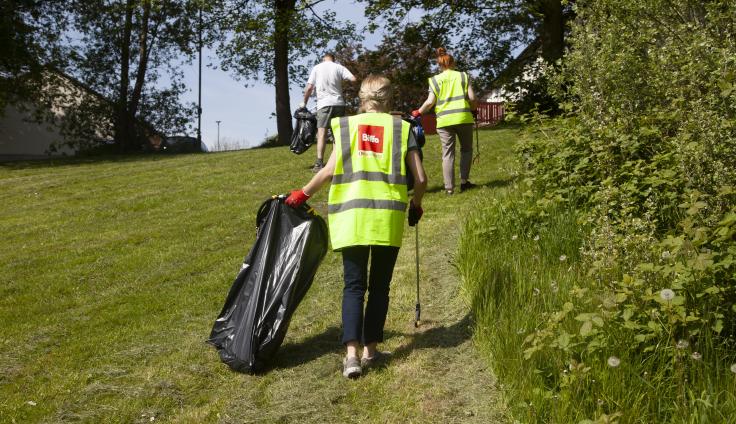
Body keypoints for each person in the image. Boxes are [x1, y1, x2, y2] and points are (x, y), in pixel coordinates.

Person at [286, 75, 427, 379]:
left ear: (361, 99)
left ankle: (351, 357)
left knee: (353, 286)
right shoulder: (402, 129)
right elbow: (422, 179)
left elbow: (329, 169)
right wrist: (416, 205)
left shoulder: (345, 126)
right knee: (379, 287)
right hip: (386, 219)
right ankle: (371, 352)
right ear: (389, 99)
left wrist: (302, 194)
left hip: (351, 217)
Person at [412, 47, 477, 195]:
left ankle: (449, 189)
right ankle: (464, 182)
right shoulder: (463, 76)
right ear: (452, 63)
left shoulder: (435, 80)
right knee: (466, 150)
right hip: (463, 119)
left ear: (439, 65)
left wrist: (418, 112)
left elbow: (429, 102)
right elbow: (472, 98)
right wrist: (474, 109)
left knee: (447, 154)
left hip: (444, 121)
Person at [300, 52, 357, 173]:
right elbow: (353, 79)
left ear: (323, 59)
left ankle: (319, 163)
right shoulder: (339, 67)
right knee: (337, 134)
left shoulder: (317, 68)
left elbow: (309, 88)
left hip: (324, 104)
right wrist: (339, 84)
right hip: (339, 103)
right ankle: (337, 162)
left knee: (322, 133)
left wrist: (304, 103)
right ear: (333, 59)